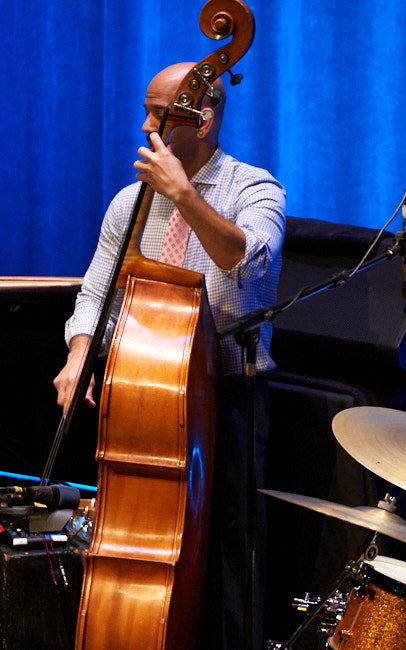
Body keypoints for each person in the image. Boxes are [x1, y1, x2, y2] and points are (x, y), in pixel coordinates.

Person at [53, 62, 286, 650]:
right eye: (148, 110)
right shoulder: (129, 202)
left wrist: (182, 193)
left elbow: (249, 260)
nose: (144, 124)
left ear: (202, 119)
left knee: (233, 551)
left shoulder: (254, 189)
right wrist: (81, 351)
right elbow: (96, 290)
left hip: (229, 395)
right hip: (146, 392)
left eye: (158, 114)